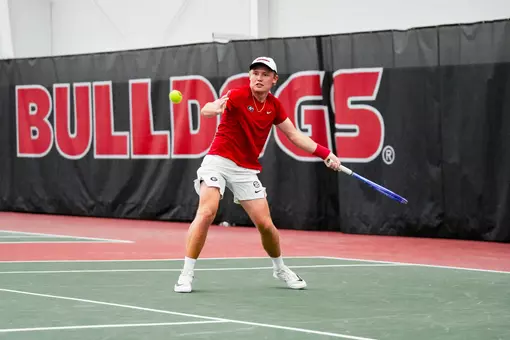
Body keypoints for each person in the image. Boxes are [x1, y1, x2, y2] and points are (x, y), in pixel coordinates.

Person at [174, 56, 341, 293]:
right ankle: (186, 274)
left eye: (264, 74)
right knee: (207, 211)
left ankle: (280, 268)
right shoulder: (238, 95)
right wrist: (215, 108)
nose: (258, 78)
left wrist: (326, 153)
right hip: (218, 161)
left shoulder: (274, 106)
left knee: (266, 225)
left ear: (274, 79)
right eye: (255, 73)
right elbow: (207, 109)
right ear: (249, 77)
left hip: (246, 169)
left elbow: (294, 135)